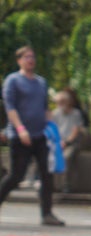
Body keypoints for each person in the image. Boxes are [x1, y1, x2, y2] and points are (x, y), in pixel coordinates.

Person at [0, 46, 65, 226]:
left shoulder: (41, 83)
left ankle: (47, 214)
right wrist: (20, 129)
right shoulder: (13, 80)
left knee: (46, 174)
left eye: (32, 56)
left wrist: (52, 132)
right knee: (16, 175)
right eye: (26, 57)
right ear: (19, 60)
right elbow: (10, 107)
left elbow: (45, 109)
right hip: (19, 135)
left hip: (39, 135)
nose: (30, 60)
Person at [51, 90, 86, 193]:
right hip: (58, 142)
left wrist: (66, 142)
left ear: (68, 102)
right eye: (58, 103)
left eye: (62, 102)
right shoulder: (55, 113)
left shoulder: (76, 113)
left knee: (66, 157)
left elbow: (76, 130)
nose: (60, 105)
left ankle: (66, 185)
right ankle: (50, 184)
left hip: (71, 143)